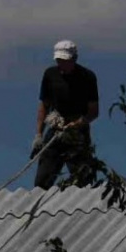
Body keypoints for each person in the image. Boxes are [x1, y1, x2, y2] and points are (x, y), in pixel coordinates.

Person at [32, 39, 100, 189]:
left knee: (83, 179)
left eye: (65, 60)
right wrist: (38, 134)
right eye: (59, 60)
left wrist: (75, 125)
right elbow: (44, 105)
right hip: (56, 128)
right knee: (42, 180)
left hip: (77, 132)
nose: (61, 63)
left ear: (74, 59)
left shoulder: (87, 77)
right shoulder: (50, 75)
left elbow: (93, 112)